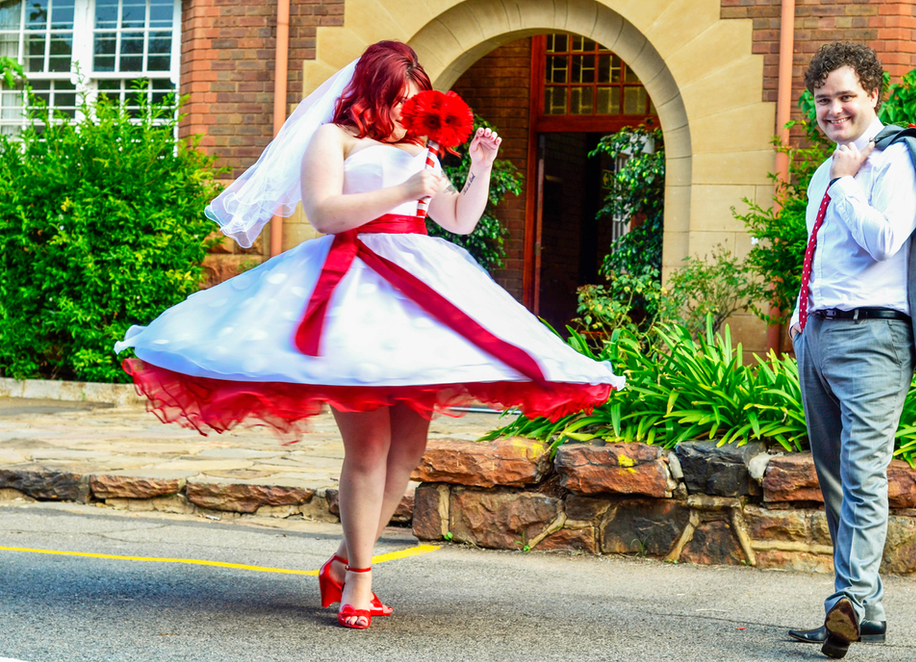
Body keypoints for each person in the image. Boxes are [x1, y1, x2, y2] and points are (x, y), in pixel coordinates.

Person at [114, 41, 624, 630]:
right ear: (374, 91)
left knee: (407, 448)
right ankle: (359, 579)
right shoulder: (333, 139)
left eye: (416, 97)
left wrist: (479, 166)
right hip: (352, 288)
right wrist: (405, 190)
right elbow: (325, 214)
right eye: (401, 96)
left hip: (419, 292)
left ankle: (341, 562)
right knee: (369, 447)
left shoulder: (423, 148)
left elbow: (458, 220)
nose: (410, 108)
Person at [786, 42, 916, 659]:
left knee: (864, 474)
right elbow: (824, 253)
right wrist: (799, 319)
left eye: (846, 96)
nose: (834, 109)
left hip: (875, 336)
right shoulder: (825, 171)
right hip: (818, 334)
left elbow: (885, 242)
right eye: (823, 100)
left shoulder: (896, 161)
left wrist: (846, 186)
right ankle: (863, 611)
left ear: (872, 94)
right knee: (834, 478)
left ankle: (846, 603)